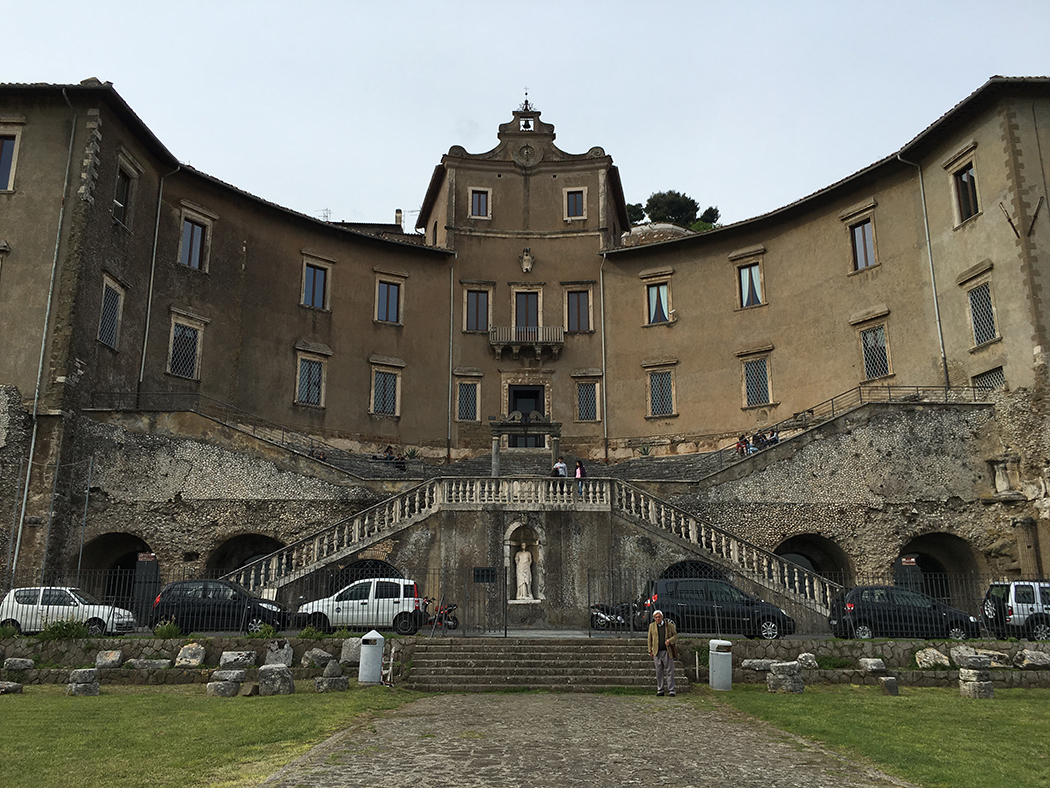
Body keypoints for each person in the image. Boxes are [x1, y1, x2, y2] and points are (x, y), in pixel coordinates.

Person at [647, 609, 677, 696]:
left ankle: (671, 690)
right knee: (659, 672)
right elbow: (650, 639)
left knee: (669, 671)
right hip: (657, 652)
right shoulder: (652, 626)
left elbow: (675, 636)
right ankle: (660, 690)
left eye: (659, 617)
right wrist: (650, 650)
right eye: (656, 617)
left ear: (662, 617)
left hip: (667, 651)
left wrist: (669, 641)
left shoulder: (669, 625)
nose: (658, 619)